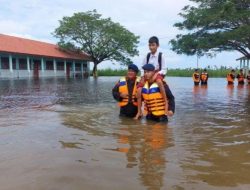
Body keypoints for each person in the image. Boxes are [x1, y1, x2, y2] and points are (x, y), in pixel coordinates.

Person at [135, 36, 168, 119]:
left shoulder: (161, 56)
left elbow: (164, 69)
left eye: (153, 45)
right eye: (149, 45)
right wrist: (143, 77)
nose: (151, 47)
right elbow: (142, 68)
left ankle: (165, 102)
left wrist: (156, 75)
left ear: (157, 45)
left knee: (159, 82)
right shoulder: (147, 56)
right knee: (138, 90)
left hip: (158, 73)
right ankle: (139, 111)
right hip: (147, 74)